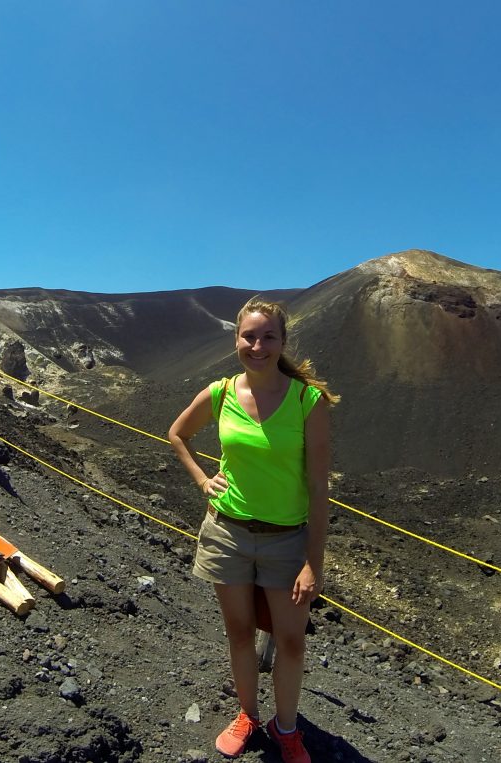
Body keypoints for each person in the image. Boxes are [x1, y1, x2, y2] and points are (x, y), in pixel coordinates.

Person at [168, 297, 338, 762]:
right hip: (228, 533)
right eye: (249, 336)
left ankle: (286, 728)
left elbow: (319, 488)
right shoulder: (221, 392)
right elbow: (177, 433)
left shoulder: (308, 400)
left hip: (287, 540)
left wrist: (313, 563)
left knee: (290, 640)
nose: (257, 345)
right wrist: (204, 479)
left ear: (282, 342)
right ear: (236, 339)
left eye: (268, 337)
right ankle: (247, 714)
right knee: (239, 633)